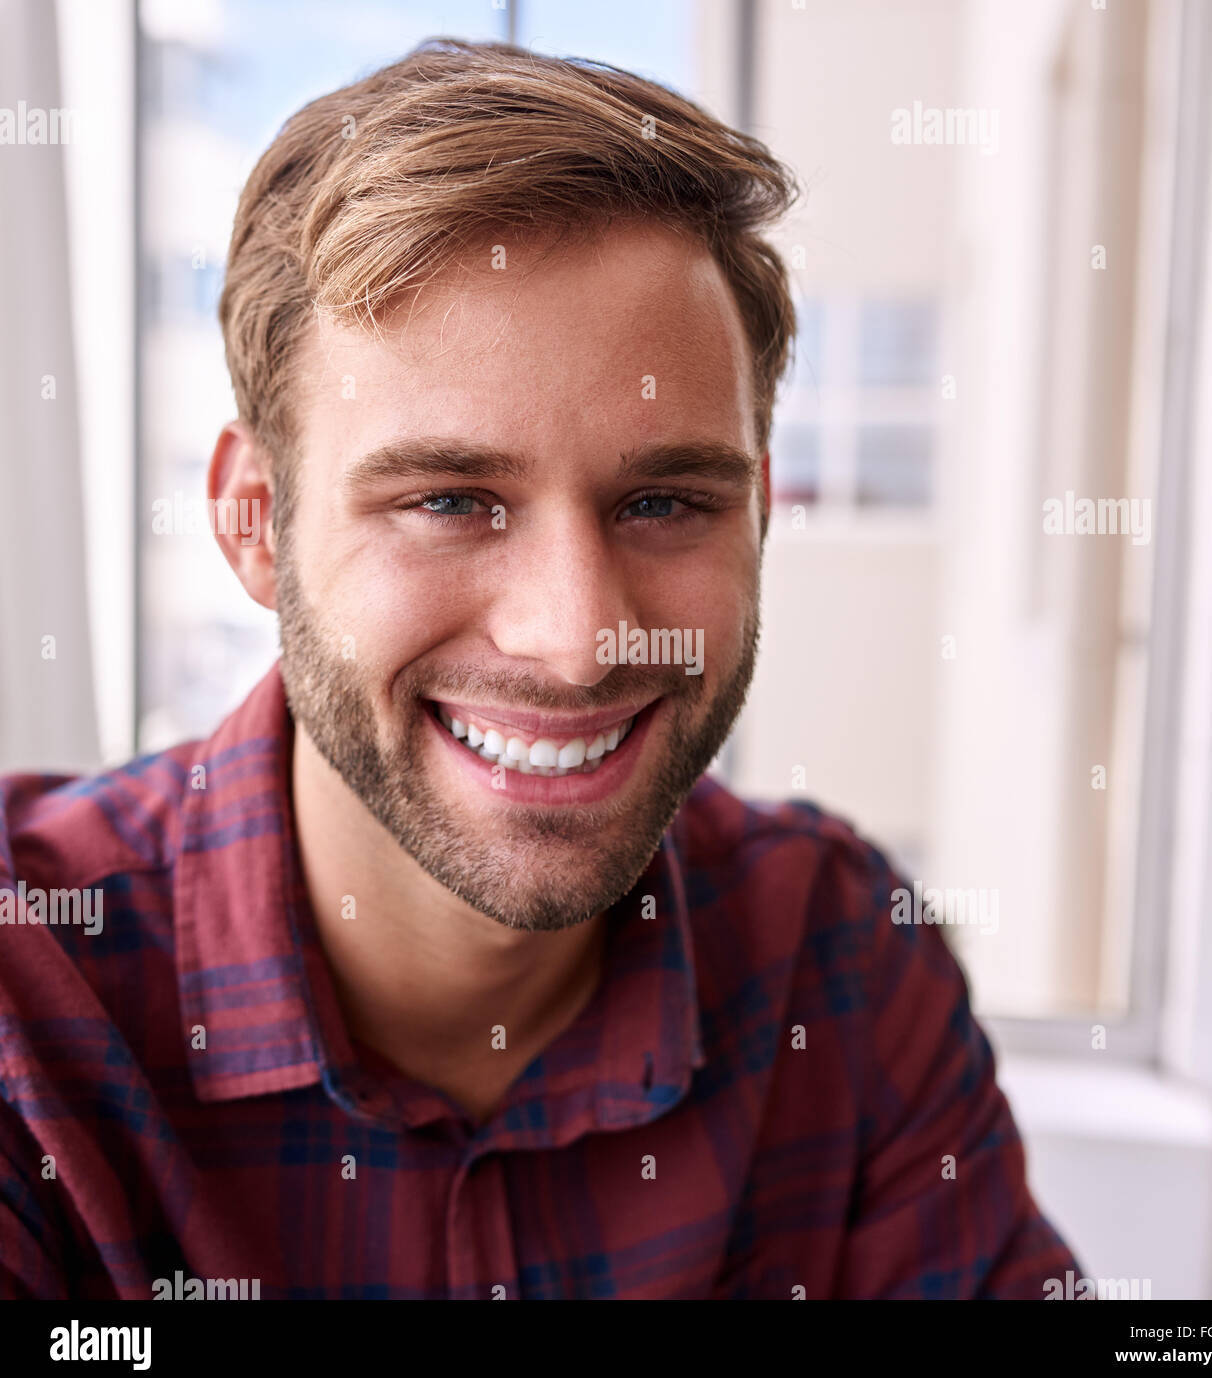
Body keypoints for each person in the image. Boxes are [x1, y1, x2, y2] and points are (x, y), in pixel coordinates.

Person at [0, 39, 1079, 1299]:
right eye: (451, 498)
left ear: (762, 513)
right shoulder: (32, 1005)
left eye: (666, 501)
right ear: (253, 520)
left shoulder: (839, 958)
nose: (577, 639)